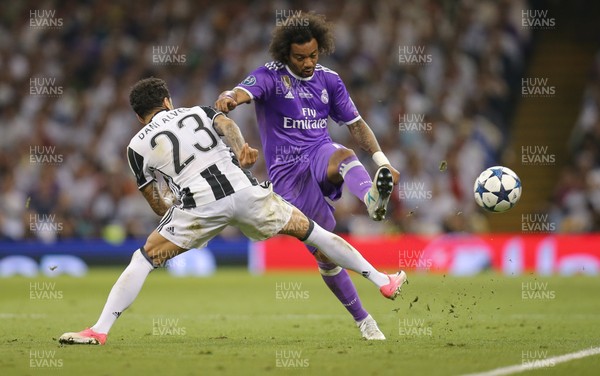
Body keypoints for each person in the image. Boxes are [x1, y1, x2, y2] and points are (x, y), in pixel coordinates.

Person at [58, 77, 407, 345]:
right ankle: (382, 280)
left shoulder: (136, 146)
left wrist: (175, 215)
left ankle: (99, 330)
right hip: (244, 192)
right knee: (313, 232)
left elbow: (154, 201)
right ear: (167, 101)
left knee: (144, 259)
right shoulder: (197, 111)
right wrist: (241, 148)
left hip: (197, 205)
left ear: (139, 116)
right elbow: (226, 123)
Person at [214, 12, 400, 340]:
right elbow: (238, 93)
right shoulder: (268, 77)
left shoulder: (329, 80)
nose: (308, 62)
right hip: (288, 176)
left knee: (343, 154)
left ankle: (373, 198)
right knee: (326, 254)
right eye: (300, 57)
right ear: (286, 53)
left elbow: (356, 124)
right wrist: (228, 99)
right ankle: (364, 320)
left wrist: (382, 160)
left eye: (313, 55)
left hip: (318, 153)